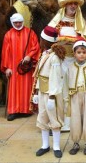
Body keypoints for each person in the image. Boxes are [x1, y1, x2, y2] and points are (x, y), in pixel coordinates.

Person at [48, 0, 86, 131]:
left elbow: (85, 40)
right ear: (65, 6)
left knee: (74, 90)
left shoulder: (80, 22)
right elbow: (48, 39)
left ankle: (72, 120)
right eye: (70, 4)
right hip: (60, 61)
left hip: (75, 61)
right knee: (59, 89)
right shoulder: (57, 21)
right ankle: (59, 119)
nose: (73, 6)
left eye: (75, 4)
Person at [32, 26, 65, 158]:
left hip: (51, 94)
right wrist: (36, 92)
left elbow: (55, 78)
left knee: (54, 118)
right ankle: (45, 145)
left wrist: (52, 96)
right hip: (42, 92)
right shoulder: (45, 54)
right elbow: (40, 75)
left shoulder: (54, 58)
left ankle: (56, 146)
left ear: (45, 40)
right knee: (43, 117)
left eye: (41, 39)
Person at [1, 13, 40, 121]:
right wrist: (7, 67)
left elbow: (36, 47)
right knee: (13, 89)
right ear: (12, 23)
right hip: (13, 67)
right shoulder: (8, 35)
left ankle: (26, 110)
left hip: (26, 67)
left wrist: (29, 56)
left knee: (27, 88)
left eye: (19, 22)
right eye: (15, 22)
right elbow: (5, 52)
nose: (18, 24)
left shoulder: (30, 33)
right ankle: (13, 111)